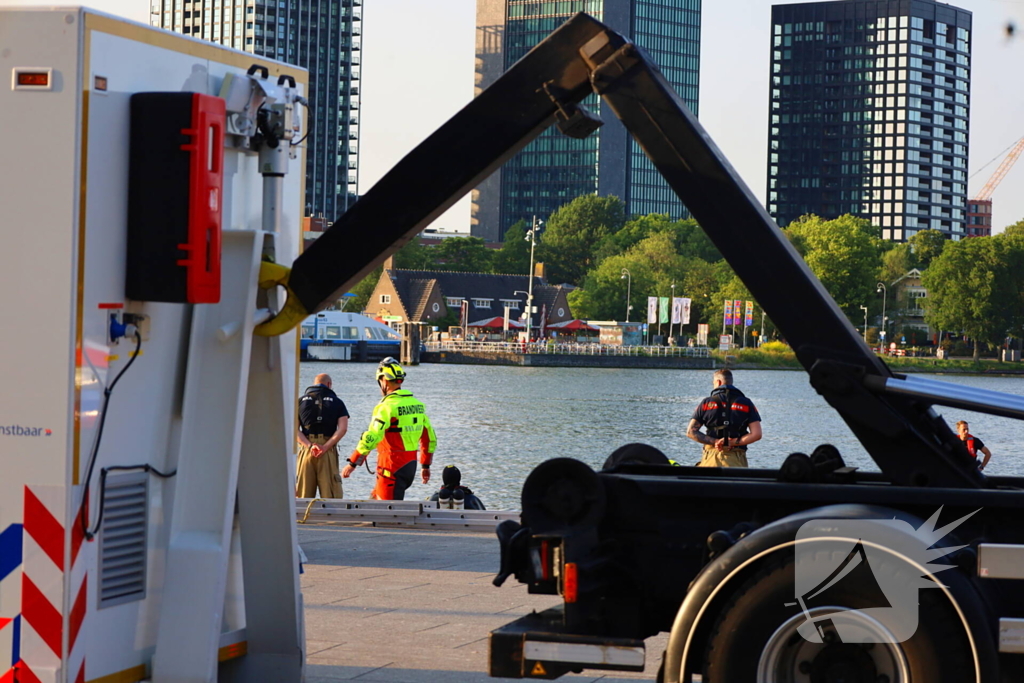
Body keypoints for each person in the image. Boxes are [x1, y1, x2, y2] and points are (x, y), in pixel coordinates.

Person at [342, 358, 436, 500]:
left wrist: (353, 462)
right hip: (410, 466)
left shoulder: (386, 406)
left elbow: (372, 436)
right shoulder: (417, 404)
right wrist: (425, 465)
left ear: (384, 380)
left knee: (387, 515)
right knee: (375, 499)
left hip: (390, 466)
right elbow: (430, 439)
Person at [687, 368, 762, 467]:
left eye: (713, 383)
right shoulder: (746, 403)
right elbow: (757, 434)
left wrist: (715, 441)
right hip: (736, 459)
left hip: (711, 457)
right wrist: (733, 442)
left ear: (718, 382)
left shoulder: (706, 403)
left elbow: (691, 432)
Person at [296, 373, 349, 498]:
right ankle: (331, 518)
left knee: (303, 495)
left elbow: (293, 430)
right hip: (327, 449)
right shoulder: (338, 402)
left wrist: (309, 446)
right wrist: (325, 447)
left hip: (307, 449)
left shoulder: (300, 402)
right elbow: (343, 428)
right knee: (331, 496)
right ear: (329, 385)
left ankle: (303, 518)